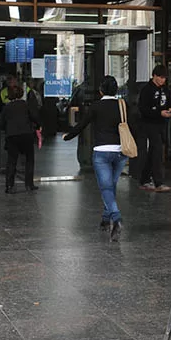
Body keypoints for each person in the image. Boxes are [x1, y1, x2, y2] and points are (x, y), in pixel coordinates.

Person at [63, 76, 128, 240]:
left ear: (101, 90)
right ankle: (105, 220)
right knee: (111, 186)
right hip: (120, 151)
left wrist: (68, 136)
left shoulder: (96, 106)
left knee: (106, 188)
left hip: (102, 152)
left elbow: (82, 124)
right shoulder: (122, 106)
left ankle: (116, 217)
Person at [136, 65, 171, 192]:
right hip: (149, 124)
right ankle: (158, 182)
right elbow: (143, 109)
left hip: (161, 124)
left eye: (164, 78)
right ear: (154, 76)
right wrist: (158, 113)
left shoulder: (165, 89)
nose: (162, 80)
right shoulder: (147, 90)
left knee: (154, 151)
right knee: (157, 150)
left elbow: (168, 102)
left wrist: (170, 109)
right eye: (160, 77)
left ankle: (145, 179)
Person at [0, 82, 41, 194]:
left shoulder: (7, 107)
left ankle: (9, 186)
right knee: (29, 159)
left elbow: (0, 123)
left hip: (12, 136)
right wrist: (38, 126)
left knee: (12, 160)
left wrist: (7, 128)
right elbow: (35, 117)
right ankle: (29, 184)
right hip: (26, 134)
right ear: (22, 94)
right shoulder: (26, 105)